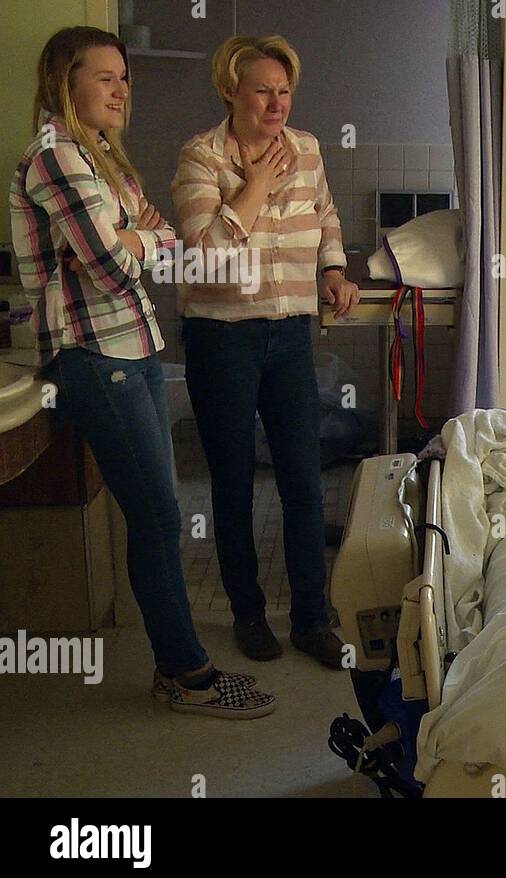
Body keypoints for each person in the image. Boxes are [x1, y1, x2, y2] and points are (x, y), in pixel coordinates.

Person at [9, 27, 274, 718]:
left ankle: (177, 667)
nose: (123, 89)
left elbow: (156, 249)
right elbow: (111, 265)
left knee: (157, 517)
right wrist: (136, 236)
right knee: (158, 518)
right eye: (105, 77)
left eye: (125, 76)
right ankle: (187, 674)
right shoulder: (57, 158)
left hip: (133, 346)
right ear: (66, 83)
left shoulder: (102, 161)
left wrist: (138, 235)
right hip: (96, 357)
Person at [171, 35, 359, 668]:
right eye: (263, 90)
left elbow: (326, 214)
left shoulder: (306, 149)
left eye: (284, 91)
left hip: (289, 332)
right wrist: (252, 188)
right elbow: (202, 255)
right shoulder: (200, 158)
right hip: (221, 335)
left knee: (303, 479)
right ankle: (247, 613)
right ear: (231, 91)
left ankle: (311, 618)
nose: (277, 103)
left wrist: (333, 270)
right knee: (232, 481)